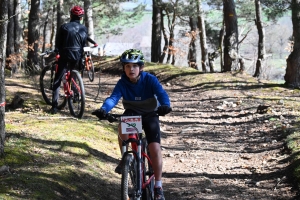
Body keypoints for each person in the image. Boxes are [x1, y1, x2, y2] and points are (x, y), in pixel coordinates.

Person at [92, 49, 172, 200]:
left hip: (150, 115)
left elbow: (161, 94)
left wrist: (165, 105)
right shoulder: (122, 83)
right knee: (122, 125)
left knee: (154, 148)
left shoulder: (150, 79)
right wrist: (104, 109)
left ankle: (158, 186)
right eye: (127, 66)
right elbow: (113, 98)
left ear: (141, 67)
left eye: (134, 66)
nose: (131, 69)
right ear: (124, 68)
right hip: (132, 114)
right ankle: (125, 158)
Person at [51, 5, 97, 114]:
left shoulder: (64, 27)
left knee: (57, 80)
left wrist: (57, 51)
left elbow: (58, 44)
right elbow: (83, 43)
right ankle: (76, 96)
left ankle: (54, 107)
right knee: (74, 75)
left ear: (71, 15)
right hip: (77, 56)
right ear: (81, 18)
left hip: (65, 55)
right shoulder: (84, 28)